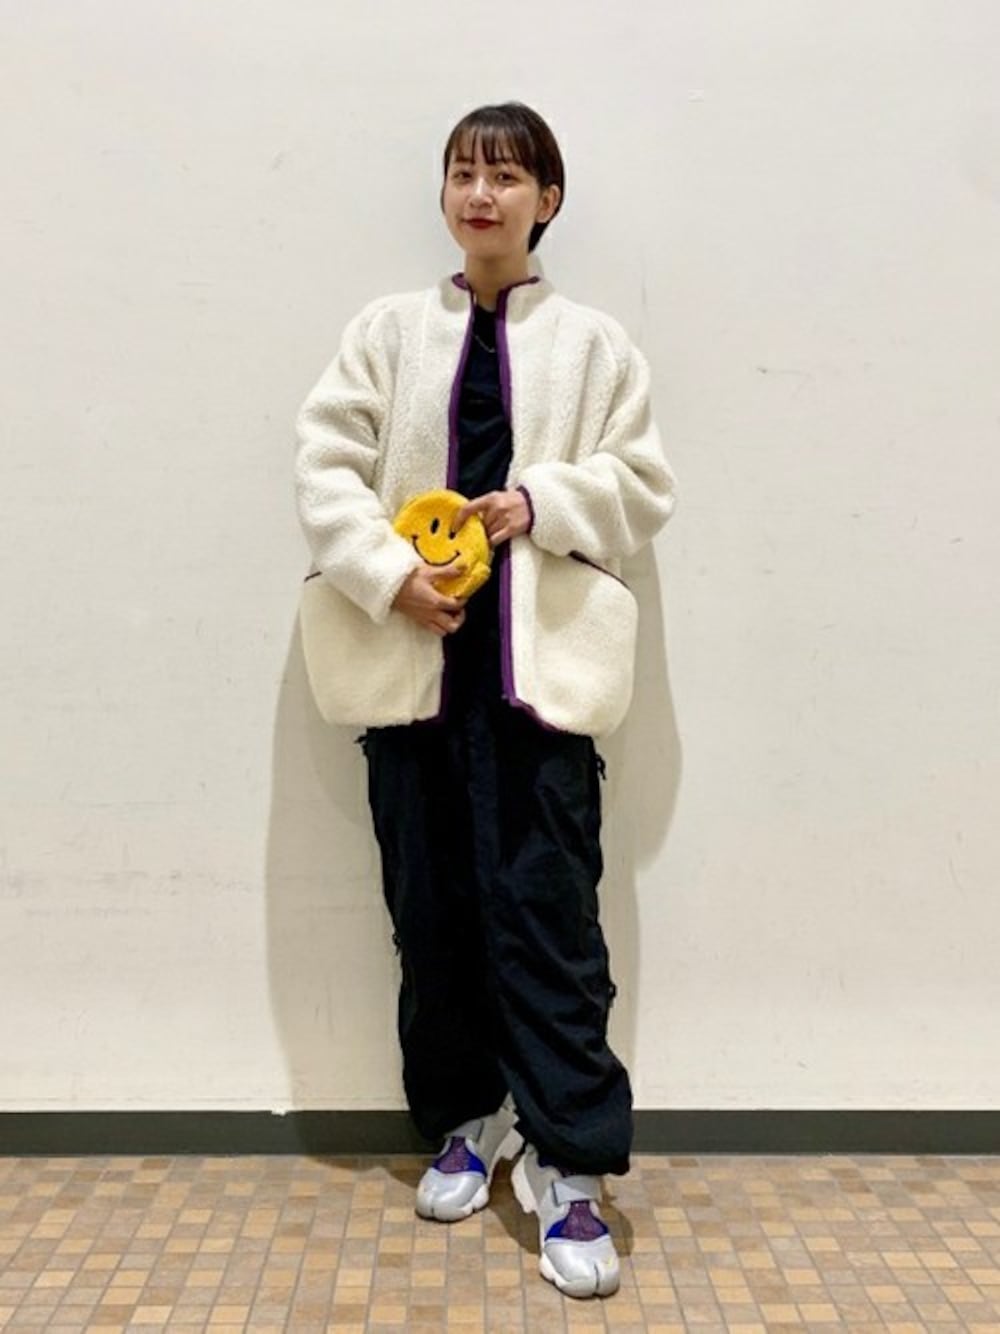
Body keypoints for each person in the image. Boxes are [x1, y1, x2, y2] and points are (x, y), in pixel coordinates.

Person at [294, 101, 676, 1299]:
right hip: (411, 676)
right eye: (463, 172)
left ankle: (569, 1158)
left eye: (506, 176)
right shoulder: (386, 332)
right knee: (430, 912)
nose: (480, 193)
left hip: (537, 687)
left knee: (549, 923)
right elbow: (324, 466)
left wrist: (539, 503)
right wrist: (386, 574)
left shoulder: (596, 345)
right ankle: (469, 1113)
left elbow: (642, 483)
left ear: (545, 200)